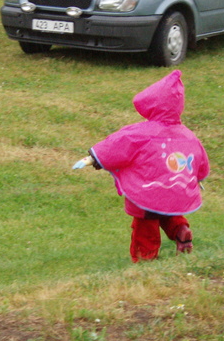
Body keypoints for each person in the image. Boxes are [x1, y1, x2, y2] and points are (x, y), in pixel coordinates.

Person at [73, 70, 209, 261]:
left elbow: (117, 146)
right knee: (168, 211)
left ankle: (145, 257)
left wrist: (94, 158)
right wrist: (198, 177)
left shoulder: (139, 133)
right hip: (176, 188)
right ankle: (181, 229)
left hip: (149, 189)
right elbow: (200, 160)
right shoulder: (188, 135)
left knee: (146, 223)